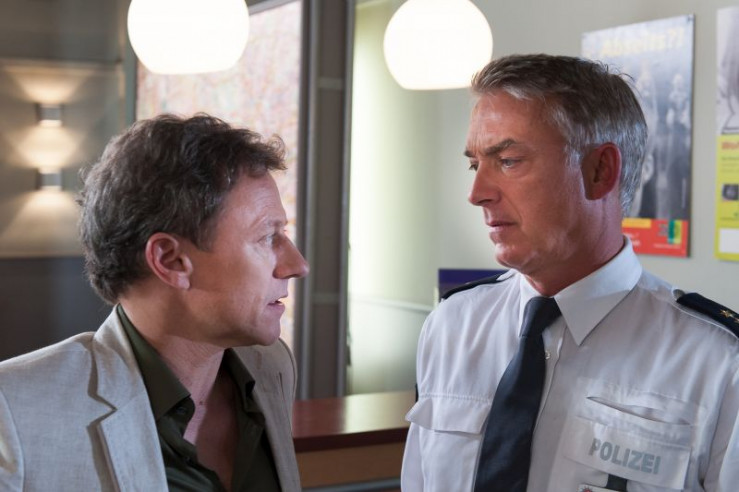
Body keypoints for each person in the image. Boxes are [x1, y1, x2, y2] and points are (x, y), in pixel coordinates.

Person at [401, 54, 739, 491]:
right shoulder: (452, 326)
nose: (477, 193)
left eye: (508, 160)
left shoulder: (716, 362)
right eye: (474, 164)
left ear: (600, 171)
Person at [0, 114, 309, 491]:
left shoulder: (271, 365)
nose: (297, 265)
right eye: (267, 237)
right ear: (170, 260)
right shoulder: (14, 410)